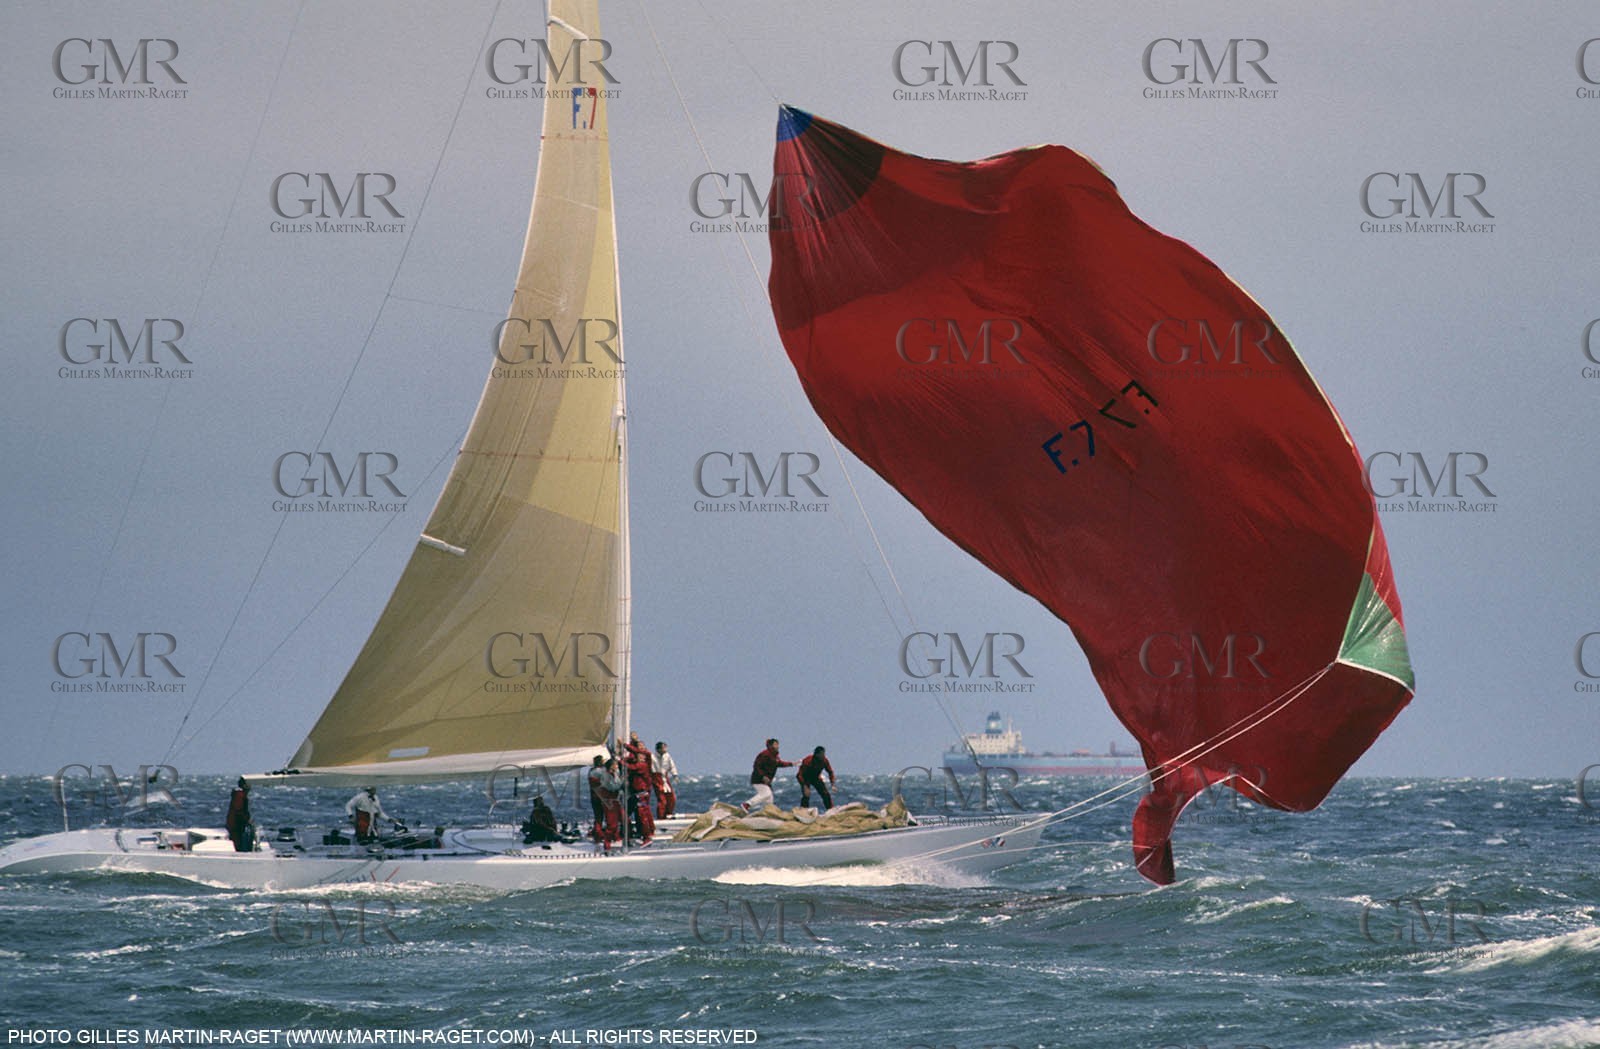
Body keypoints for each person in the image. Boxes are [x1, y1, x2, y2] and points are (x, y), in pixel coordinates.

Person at [742, 738, 794, 813]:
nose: (777, 746)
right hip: (758, 780)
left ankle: (765, 813)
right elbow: (756, 766)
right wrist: (763, 776)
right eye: (775, 744)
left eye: (778, 744)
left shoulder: (775, 756)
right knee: (766, 794)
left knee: (769, 801)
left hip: (766, 782)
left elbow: (779, 763)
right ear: (770, 746)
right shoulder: (765, 754)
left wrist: (791, 764)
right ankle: (747, 804)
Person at [622, 735, 656, 845]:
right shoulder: (637, 760)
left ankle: (646, 836)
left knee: (642, 814)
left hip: (642, 792)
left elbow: (631, 767)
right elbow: (631, 760)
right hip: (637, 792)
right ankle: (640, 832)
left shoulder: (644, 762)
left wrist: (624, 746)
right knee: (633, 812)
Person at [591, 758, 625, 852]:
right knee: (612, 824)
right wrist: (622, 784)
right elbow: (612, 787)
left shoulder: (615, 774)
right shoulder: (606, 776)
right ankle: (607, 844)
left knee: (624, 819)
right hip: (609, 802)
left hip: (615, 801)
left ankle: (622, 838)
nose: (617, 766)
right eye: (616, 765)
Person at [797, 746, 836, 811]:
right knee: (806, 795)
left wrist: (832, 784)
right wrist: (804, 786)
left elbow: (830, 772)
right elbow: (799, 775)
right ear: (816, 754)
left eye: (824, 754)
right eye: (821, 754)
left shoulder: (824, 761)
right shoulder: (808, 760)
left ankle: (830, 810)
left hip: (816, 778)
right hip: (805, 778)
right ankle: (803, 811)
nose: (823, 756)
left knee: (826, 794)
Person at [224, 777, 255, 852]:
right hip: (236, 824)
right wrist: (246, 820)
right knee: (238, 842)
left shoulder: (239, 794)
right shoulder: (240, 795)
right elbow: (239, 810)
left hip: (236, 823)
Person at [654, 741, 678, 819]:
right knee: (662, 800)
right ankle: (661, 817)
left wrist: (675, 775)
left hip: (665, 778)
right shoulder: (652, 757)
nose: (665, 750)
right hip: (656, 778)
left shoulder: (667, 756)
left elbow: (672, 765)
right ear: (659, 749)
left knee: (672, 798)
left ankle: (668, 814)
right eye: (664, 748)